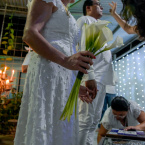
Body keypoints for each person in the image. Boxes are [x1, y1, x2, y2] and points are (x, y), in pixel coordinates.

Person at [14, 0, 96, 145]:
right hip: (47, 69)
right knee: (45, 123)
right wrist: (65, 60)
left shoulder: (66, 10)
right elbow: (29, 34)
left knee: (60, 127)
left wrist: (73, 86)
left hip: (62, 77)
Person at [77, 0, 114, 144]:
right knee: (85, 119)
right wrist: (89, 74)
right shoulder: (85, 20)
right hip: (91, 76)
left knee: (94, 120)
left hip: (102, 78)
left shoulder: (99, 24)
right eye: (98, 4)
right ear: (88, 7)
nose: (102, 7)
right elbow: (82, 46)